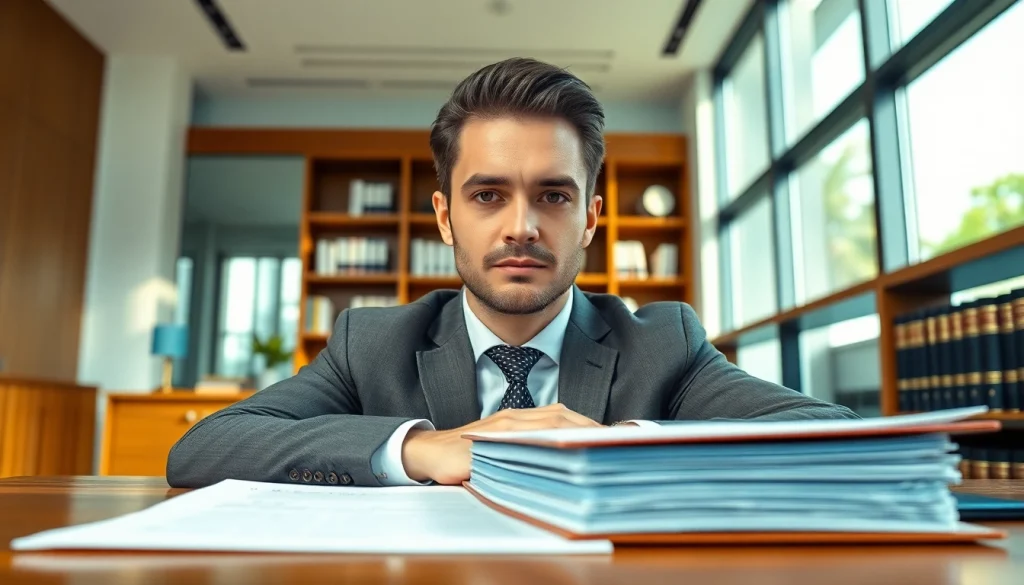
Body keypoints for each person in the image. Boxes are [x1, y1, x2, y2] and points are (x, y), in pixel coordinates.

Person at [166, 58, 857, 489]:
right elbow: (205, 446)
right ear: (445, 218)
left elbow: (835, 438)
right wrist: (421, 449)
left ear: (589, 219)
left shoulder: (663, 345)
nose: (522, 226)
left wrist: (626, 445)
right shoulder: (370, 342)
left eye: (553, 195)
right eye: (489, 195)